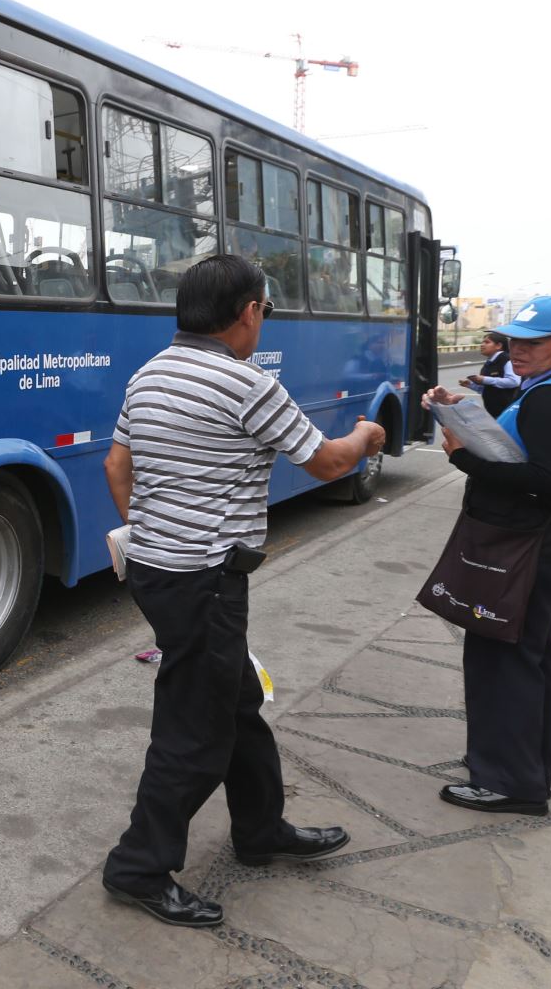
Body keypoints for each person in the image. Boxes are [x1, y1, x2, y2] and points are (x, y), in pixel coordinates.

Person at [100, 254, 386, 928]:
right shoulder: (246, 384)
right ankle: (137, 866)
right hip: (204, 581)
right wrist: (369, 434)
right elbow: (329, 461)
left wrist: (152, 529)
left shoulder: (149, 375)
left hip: (159, 570)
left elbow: (118, 465)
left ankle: (260, 829)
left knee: (237, 703)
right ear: (248, 312)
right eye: (264, 310)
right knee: (195, 732)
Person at [425, 296, 551, 816]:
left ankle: (510, 783)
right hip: (540, 545)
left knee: (505, 661)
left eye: (532, 343)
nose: (516, 351)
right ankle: (515, 767)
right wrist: (464, 415)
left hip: (525, 548)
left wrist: (462, 456)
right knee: (525, 657)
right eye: (512, 341)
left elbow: (547, 481)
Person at [461, 332, 520, 418]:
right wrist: (471, 385)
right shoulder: (489, 363)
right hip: (493, 411)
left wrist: (485, 379)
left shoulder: (506, 359)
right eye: (482, 342)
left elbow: (514, 381)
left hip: (506, 411)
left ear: (498, 345)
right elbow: (488, 389)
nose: (482, 345)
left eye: (487, 342)